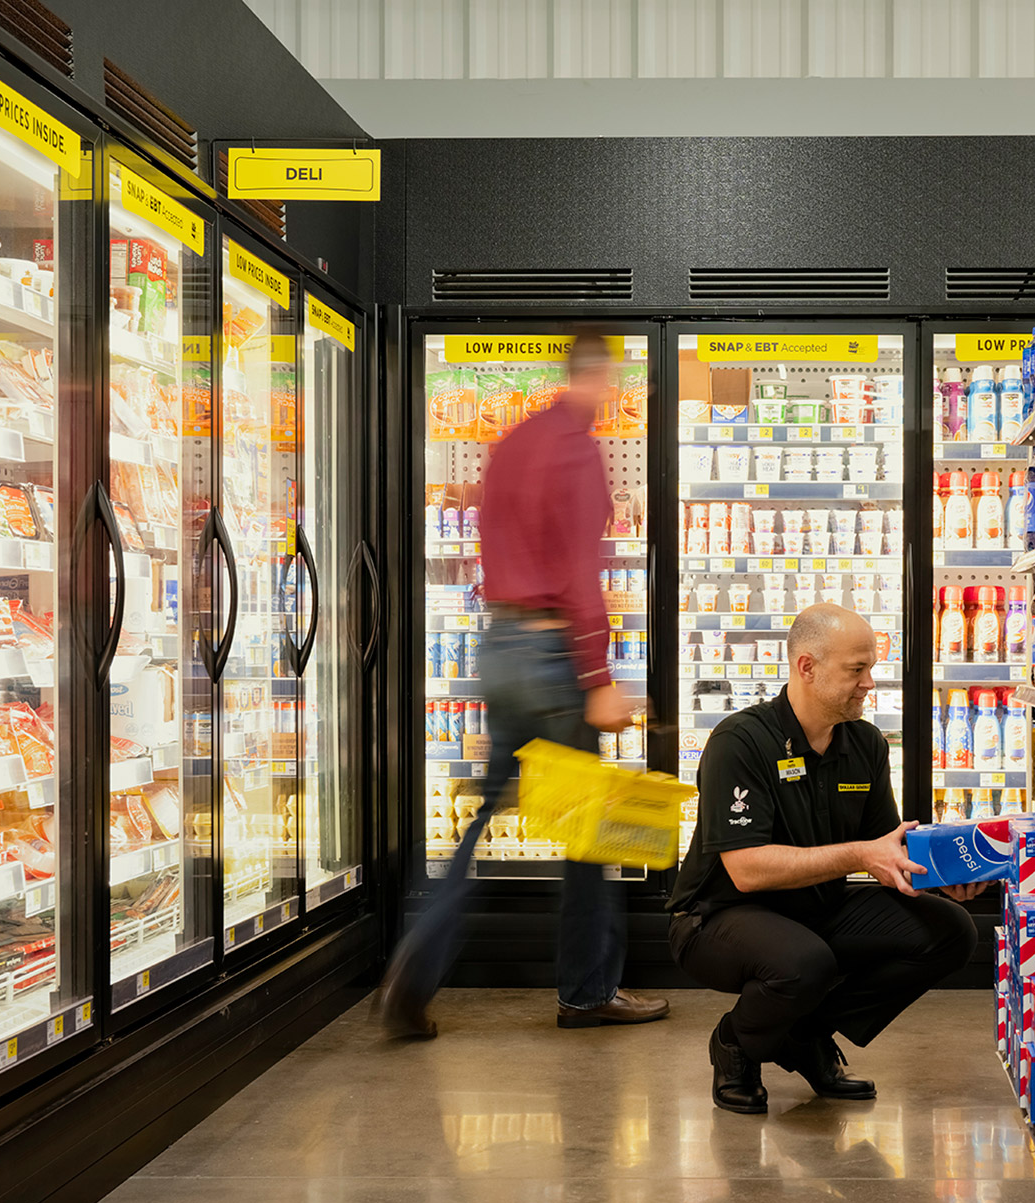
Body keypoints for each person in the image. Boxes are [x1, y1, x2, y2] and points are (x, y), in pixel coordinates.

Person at [381, 331, 669, 1039]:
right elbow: (577, 572)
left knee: (482, 814)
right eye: (617, 382)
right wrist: (599, 676)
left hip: (501, 643)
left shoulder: (511, 441)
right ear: (599, 376)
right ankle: (587, 989)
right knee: (588, 831)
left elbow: (489, 534)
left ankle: (414, 968)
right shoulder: (576, 448)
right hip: (551, 656)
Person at [668, 603, 981, 1113]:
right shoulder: (740, 742)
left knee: (952, 929)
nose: (869, 683)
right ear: (806, 667)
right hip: (717, 919)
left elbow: (886, 846)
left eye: (872, 668)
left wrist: (946, 872)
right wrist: (859, 853)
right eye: (856, 670)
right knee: (802, 963)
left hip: (814, 909)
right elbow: (746, 871)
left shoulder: (864, 744)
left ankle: (803, 1035)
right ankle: (735, 1044)